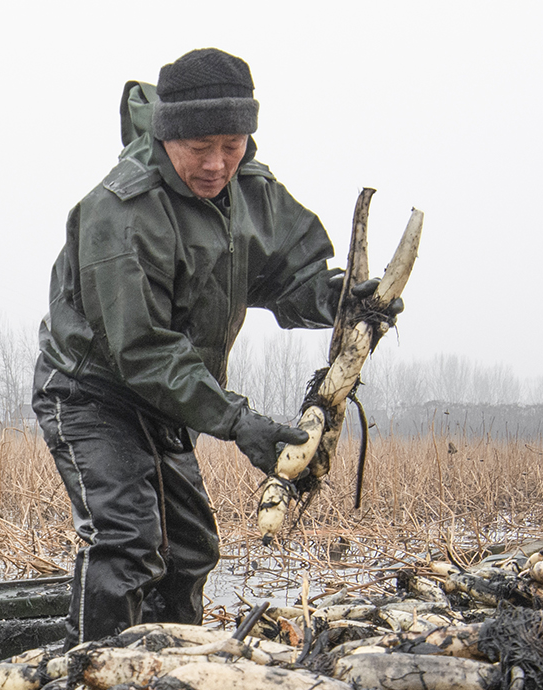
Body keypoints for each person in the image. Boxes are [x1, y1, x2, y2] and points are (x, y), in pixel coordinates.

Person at [33, 47, 400, 644]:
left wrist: (343, 302)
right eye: (200, 148)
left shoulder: (249, 192)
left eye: (232, 146)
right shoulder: (120, 212)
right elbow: (143, 349)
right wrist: (237, 421)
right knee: (127, 543)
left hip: (170, 401)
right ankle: (91, 680)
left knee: (190, 553)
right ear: (167, 135)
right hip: (92, 392)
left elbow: (290, 281)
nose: (217, 164)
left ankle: (173, 675)